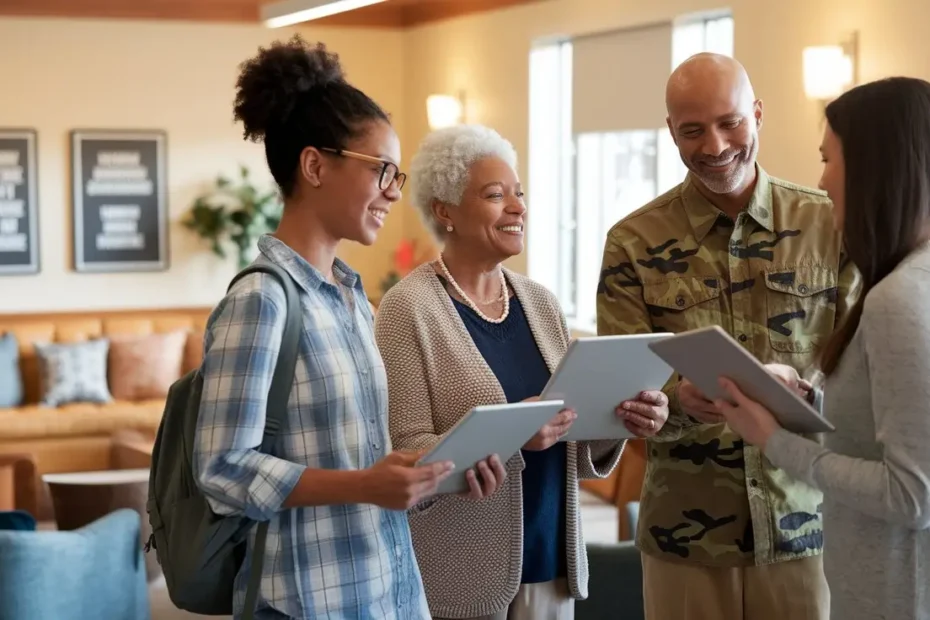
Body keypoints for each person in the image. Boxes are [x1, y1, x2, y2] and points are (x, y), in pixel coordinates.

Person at [192, 35, 453, 620]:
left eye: (398, 174)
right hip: (306, 601)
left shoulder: (353, 298)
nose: (393, 191)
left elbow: (361, 456)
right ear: (314, 165)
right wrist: (363, 484)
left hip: (389, 593)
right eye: (382, 169)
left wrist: (436, 470)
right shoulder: (262, 300)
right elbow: (221, 468)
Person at [596, 52, 862, 620]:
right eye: (692, 131)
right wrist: (673, 399)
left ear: (758, 114)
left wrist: (807, 388)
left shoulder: (829, 223)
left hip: (809, 523)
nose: (715, 147)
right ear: (671, 131)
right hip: (685, 537)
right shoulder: (633, 242)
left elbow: (863, 364)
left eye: (730, 123)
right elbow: (622, 384)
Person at [374, 124, 669, 620]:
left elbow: (568, 435)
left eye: (519, 193)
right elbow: (405, 452)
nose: (518, 207)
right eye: (495, 195)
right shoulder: (408, 309)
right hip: (461, 572)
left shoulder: (539, 302)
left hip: (551, 560)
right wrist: (510, 436)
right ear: (445, 210)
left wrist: (622, 418)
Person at [714, 76, 930, 620]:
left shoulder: (900, 298)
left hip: (896, 594)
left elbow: (913, 495)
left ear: (874, 167)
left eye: (828, 159)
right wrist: (810, 398)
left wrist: (773, 440)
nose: (822, 179)